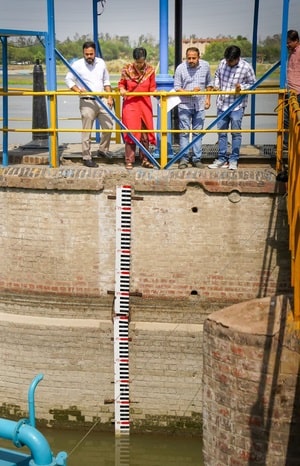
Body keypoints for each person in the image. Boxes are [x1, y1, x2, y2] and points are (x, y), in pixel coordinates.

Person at [65, 41, 114, 168]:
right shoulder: (77, 64)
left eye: (91, 54)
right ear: (83, 53)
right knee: (87, 130)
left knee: (109, 125)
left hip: (101, 99)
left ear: (95, 53)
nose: (89, 56)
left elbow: (106, 81)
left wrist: (110, 96)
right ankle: (86, 156)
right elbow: (68, 79)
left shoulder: (101, 63)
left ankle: (103, 150)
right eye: (86, 54)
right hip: (87, 100)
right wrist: (78, 90)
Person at [208, 45, 256, 170]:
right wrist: (217, 85)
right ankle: (221, 159)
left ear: (238, 58)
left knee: (236, 133)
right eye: (227, 60)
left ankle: (234, 159)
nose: (228, 63)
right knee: (221, 132)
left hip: (237, 105)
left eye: (231, 61)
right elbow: (217, 75)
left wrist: (242, 88)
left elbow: (253, 84)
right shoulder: (222, 63)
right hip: (222, 103)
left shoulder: (246, 67)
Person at [174, 47, 213, 169]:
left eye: (193, 58)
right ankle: (184, 159)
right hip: (185, 105)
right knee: (184, 133)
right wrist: (190, 92)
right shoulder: (180, 68)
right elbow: (177, 87)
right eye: (188, 58)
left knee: (198, 133)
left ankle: (197, 159)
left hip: (200, 105)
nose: (191, 60)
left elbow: (209, 84)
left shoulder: (205, 66)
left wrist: (208, 99)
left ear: (198, 57)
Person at [118, 47, 156, 170]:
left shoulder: (150, 70)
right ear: (134, 60)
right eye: (138, 62)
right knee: (131, 132)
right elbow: (121, 84)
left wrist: (159, 95)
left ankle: (145, 159)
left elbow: (152, 88)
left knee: (145, 133)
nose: (140, 65)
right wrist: (122, 89)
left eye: (142, 61)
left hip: (145, 104)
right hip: (130, 105)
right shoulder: (126, 69)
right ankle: (129, 160)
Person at [284, 30, 300, 148]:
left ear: (296, 41)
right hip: (290, 91)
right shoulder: (291, 52)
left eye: (289, 43)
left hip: (298, 92)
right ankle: (287, 143)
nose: (287, 45)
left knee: (296, 119)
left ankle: (295, 145)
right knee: (286, 119)